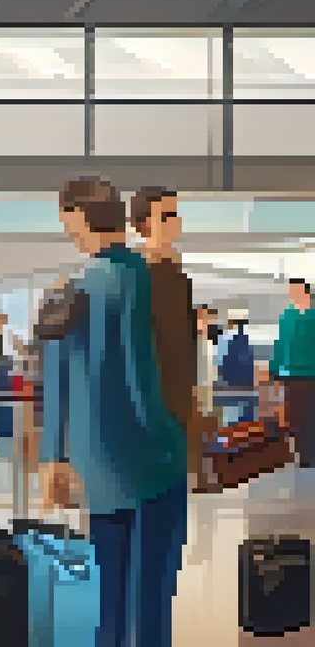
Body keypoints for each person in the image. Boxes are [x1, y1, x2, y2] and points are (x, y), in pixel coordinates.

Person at [38, 177, 187, 647]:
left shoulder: (71, 286)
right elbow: (140, 375)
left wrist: (53, 454)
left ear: (83, 219)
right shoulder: (138, 277)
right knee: (153, 594)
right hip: (148, 460)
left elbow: (55, 372)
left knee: (110, 595)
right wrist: (170, 441)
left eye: (70, 224)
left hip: (96, 465)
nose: (70, 234)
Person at [131, 186, 208, 490]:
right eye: (167, 215)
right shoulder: (138, 273)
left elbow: (182, 339)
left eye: (176, 214)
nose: (175, 222)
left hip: (178, 399)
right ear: (143, 224)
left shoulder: (177, 274)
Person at [272, 278, 315, 467]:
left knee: (310, 415)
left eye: (295, 290)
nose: (292, 295)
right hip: (293, 376)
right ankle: (304, 456)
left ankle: (309, 454)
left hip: (311, 375)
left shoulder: (311, 316)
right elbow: (280, 345)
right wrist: (275, 372)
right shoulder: (287, 317)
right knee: (297, 418)